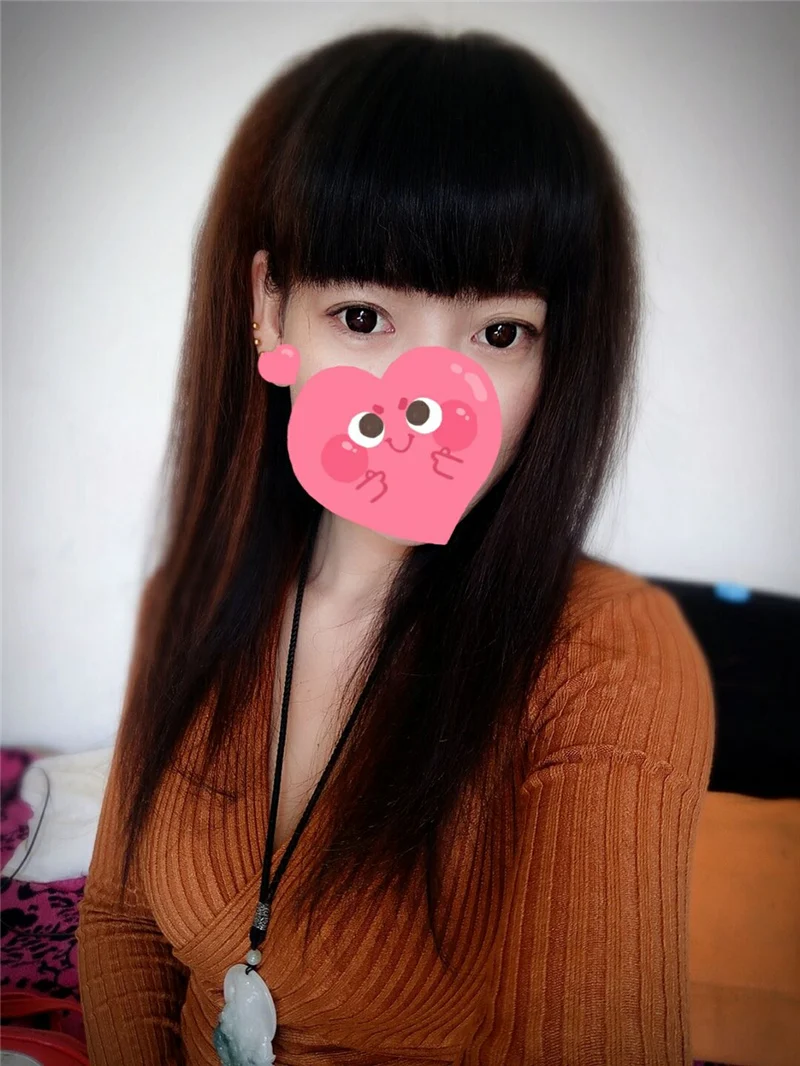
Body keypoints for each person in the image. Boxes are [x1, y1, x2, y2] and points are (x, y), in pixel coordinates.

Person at [75, 25, 715, 1066]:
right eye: (364, 315)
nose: (427, 403)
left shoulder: (609, 659)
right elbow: (119, 922)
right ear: (270, 310)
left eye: (498, 334)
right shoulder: (192, 600)